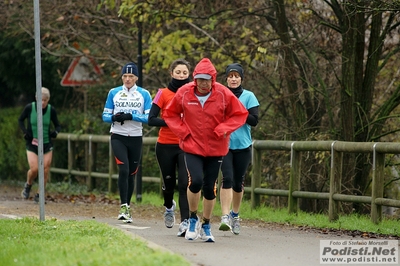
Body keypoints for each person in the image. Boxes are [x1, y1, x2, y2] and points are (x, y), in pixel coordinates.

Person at [163, 58, 248, 242]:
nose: (203, 83)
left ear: (213, 79)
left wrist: (224, 128)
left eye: (207, 79)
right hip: (192, 146)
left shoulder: (224, 94)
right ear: (194, 79)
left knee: (209, 188)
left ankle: (206, 224)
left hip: (216, 148)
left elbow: (240, 114)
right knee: (195, 182)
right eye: (200, 79)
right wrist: (183, 132)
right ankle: (192, 218)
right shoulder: (185, 93)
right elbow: (170, 114)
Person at [102, 62, 152, 223]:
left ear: (136, 77)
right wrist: (113, 118)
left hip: (136, 137)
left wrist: (131, 116)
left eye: (131, 76)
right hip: (118, 135)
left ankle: (128, 206)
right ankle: (123, 206)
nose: (128, 79)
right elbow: (104, 116)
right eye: (125, 76)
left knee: (131, 172)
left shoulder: (144, 94)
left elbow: (148, 117)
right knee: (123, 169)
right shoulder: (114, 92)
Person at [148, 59, 191, 236]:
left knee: (184, 183)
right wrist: (171, 123)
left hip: (185, 145)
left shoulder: (193, 94)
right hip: (165, 145)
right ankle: (168, 207)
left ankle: (186, 221)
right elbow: (151, 119)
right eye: (178, 72)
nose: (181, 76)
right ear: (171, 73)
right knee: (168, 182)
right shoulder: (162, 94)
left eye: (185, 73)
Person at [218, 63, 259, 235]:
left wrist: (238, 112)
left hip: (243, 145)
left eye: (236, 76)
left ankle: (235, 215)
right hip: (224, 145)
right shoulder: (220, 95)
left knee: (238, 181)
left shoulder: (249, 96)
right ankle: (225, 216)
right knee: (227, 178)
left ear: (241, 78)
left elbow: (254, 120)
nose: (233, 79)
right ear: (226, 78)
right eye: (230, 76)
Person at [19, 87, 61, 203]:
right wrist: (25, 132)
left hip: (46, 143)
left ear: (48, 100)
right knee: (35, 169)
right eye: (40, 100)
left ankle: (39, 194)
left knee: (45, 169)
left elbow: (58, 125)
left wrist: (55, 132)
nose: (42, 103)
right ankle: (28, 184)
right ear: (36, 99)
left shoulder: (51, 110)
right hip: (32, 143)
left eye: (45, 100)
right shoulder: (29, 108)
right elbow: (20, 120)